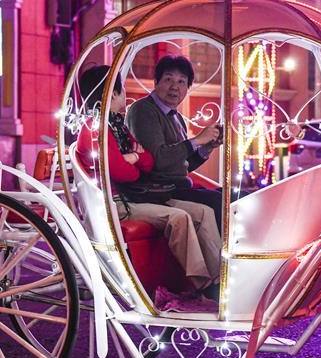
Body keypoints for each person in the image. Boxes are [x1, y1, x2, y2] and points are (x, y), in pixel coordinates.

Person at [76, 65, 220, 311]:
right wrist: (133, 159)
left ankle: (220, 278)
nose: (125, 98)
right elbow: (126, 172)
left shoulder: (117, 126)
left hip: (138, 195)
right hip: (120, 202)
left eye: (182, 81)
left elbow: (148, 161)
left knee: (205, 212)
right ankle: (202, 285)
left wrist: (133, 158)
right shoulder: (95, 129)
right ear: (110, 93)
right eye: (121, 92)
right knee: (180, 218)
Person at [126, 55, 224, 232]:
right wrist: (196, 140)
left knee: (235, 196)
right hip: (159, 190)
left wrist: (206, 147)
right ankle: (223, 257)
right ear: (156, 82)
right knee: (221, 203)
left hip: (178, 187)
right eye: (168, 79)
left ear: (188, 88)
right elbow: (159, 159)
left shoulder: (176, 116)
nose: (174, 87)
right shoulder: (143, 110)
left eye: (181, 82)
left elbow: (182, 165)